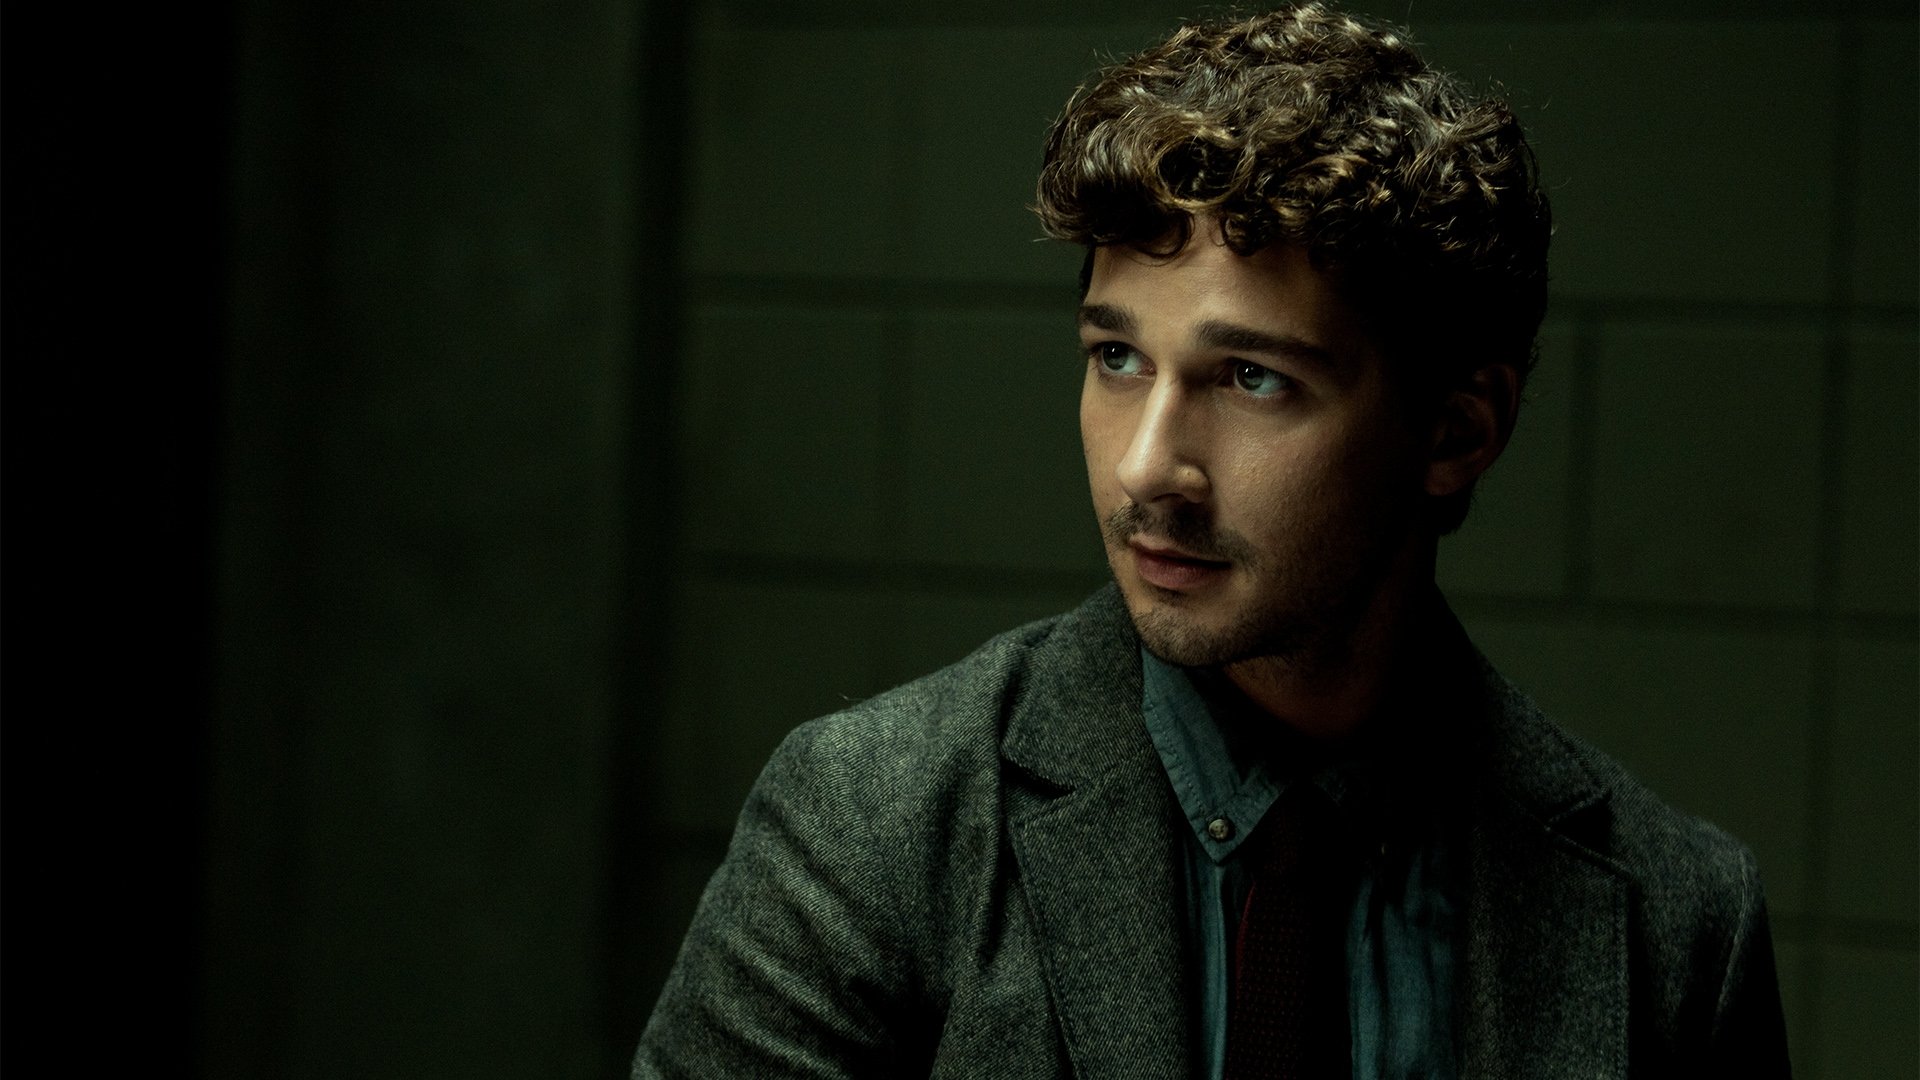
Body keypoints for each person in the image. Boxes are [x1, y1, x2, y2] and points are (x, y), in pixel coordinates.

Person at [634, 5, 1791, 1076]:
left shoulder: (1675, 921)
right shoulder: (874, 825)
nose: (1147, 468)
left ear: (1456, 429)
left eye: (1250, 378)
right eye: (1117, 359)